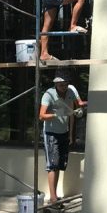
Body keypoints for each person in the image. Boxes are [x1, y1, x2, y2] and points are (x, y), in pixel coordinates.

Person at [39, 74, 87, 204]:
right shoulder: (48, 95)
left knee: (59, 164)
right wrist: (56, 114)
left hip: (64, 132)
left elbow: (79, 104)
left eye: (65, 84)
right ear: (55, 84)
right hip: (51, 133)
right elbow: (41, 116)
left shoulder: (71, 90)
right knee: (52, 165)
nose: (64, 87)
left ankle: (54, 196)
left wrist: (83, 108)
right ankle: (53, 198)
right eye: (61, 85)